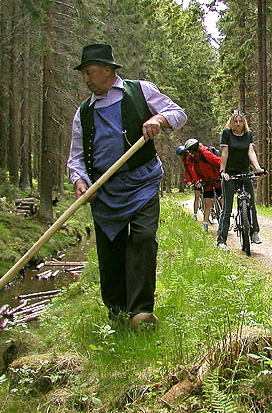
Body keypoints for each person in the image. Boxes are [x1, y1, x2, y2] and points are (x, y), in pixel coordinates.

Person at [67, 43, 186, 328]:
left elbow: (178, 114)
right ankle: (118, 313)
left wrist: (158, 119)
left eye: (89, 72)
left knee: (144, 239)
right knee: (111, 250)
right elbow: (76, 157)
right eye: (83, 73)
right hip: (105, 191)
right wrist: (80, 180)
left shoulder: (140, 91)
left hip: (143, 182)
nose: (85, 78)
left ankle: (141, 312)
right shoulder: (83, 113)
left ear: (107, 70)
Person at [216, 110, 265, 250]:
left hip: (244, 173)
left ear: (244, 122)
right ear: (232, 122)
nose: (238, 124)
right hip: (230, 174)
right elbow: (224, 153)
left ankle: (254, 231)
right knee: (227, 208)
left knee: (251, 203)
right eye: (235, 121)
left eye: (240, 121)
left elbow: (251, 152)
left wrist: (258, 168)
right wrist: (223, 172)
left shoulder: (248, 134)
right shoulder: (226, 134)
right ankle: (221, 241)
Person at [183, 138, 223, 231]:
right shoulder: (193, 158)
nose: (190, 153)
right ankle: (205, 225)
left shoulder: (205, 153)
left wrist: (222, 173)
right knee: (207, 203)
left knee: (221, 199)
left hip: (216, 179)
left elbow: (218, 162)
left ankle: (226, 219)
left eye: (191, 150)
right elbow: (193, 169)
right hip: (206, 182)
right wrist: (197, 181)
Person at [176, 145, 201, 221]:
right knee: (197, 197)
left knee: (198, 197)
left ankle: (196, 214)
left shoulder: (191, 158)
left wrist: (196, 180)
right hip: (195, 179)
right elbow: (187, 171)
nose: (180, 157)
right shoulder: (185, 161)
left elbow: (193, 170)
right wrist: (188, 180)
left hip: (200, 178)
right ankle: (195, 214)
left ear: (183, 154)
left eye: (180, 156)